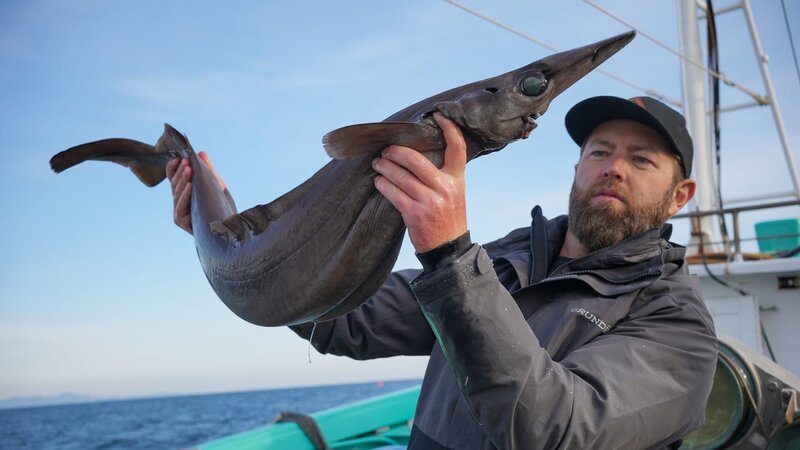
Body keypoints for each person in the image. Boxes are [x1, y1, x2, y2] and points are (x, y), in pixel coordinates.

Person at [167, 96, 718, 449]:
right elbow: (346, 321)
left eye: (642, 159)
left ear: (680, 196)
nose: (614, 168)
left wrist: (450, 254)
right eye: (600, 152)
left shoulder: (677, 326)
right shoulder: (507, 261)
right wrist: (230, 236)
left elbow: (550, 429)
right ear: (577, 167)